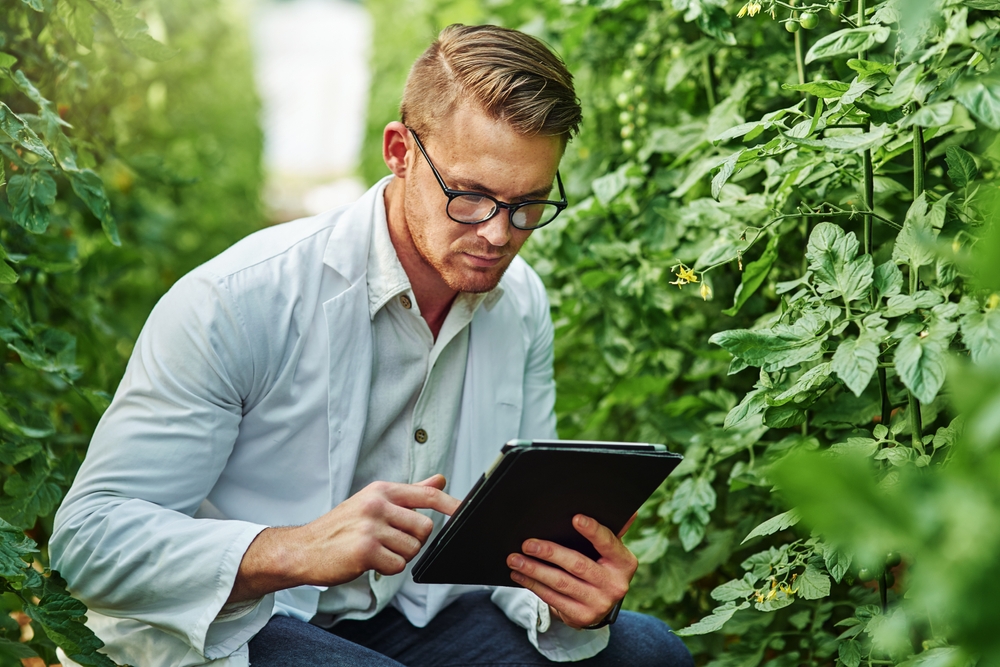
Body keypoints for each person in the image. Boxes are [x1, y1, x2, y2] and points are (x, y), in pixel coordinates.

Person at [50, 24, 694, 667]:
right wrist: (292, 548)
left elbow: (512, 549)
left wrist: (569, 599)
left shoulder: (520, 303)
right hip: (240, 623)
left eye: (527, 205)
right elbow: (88, 540)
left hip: (418, 618)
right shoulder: (238, 300)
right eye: (471, 197)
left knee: (646, 653)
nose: (500, 234)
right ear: (400, 151)